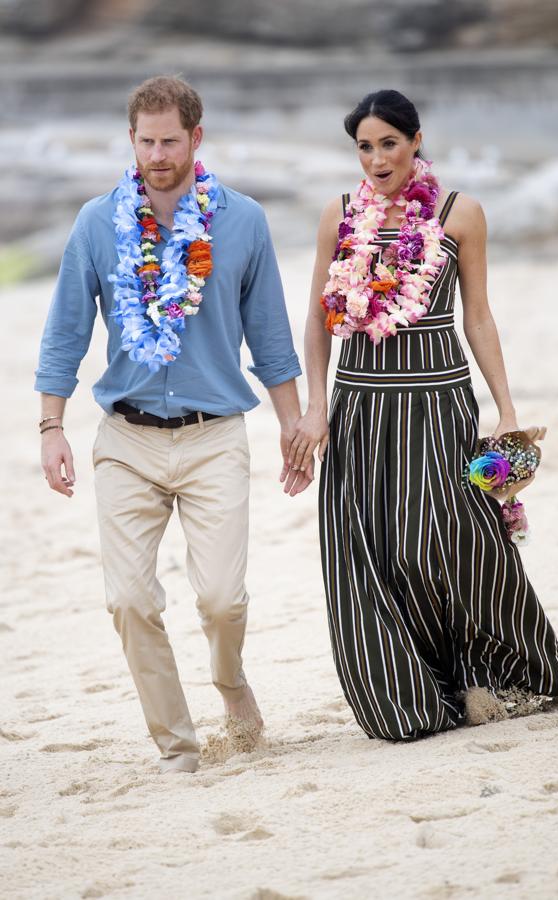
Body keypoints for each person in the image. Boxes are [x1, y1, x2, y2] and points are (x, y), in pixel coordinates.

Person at [35, 76, 312, 773]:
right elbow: (65, 331)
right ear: (130, 139)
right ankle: (178, 748)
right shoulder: (97, 223)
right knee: (128, 601)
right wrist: (50, 427)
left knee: (221, 600)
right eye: (145, 140)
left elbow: (270, 338)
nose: (157, 153)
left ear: (196, 136)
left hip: (215, 435)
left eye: (169, 139)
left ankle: (230, 681)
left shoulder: (242, 221)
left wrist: (291, 425)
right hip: (124, 440)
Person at [289, 89, 558, 740]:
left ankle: (504, 672)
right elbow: (314, 319)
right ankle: (412, 699)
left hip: (437, 402)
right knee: (374, 553)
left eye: (388, 142)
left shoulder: (459, 214)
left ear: (415, 141)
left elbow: (476, 315)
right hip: (359, 406)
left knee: (461, 543)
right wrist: (315, 405)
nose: (375, 158)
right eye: (363, 146)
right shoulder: (337, 214)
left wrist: (505, 409)